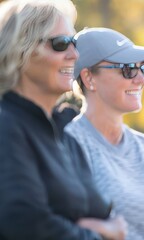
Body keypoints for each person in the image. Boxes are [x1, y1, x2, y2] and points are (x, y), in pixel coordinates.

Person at [0, 1, 127, 239]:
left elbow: (104, 215)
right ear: (20, 52)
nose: (75, 55)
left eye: (74, 43)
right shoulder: (7, 126)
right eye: (60, 44)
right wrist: (101, 233)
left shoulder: (66, 138)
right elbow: (24, 225)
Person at [65, 27, 144, 240]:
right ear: (89, 78)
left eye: (142, 68)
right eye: (127, 69)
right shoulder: (68, 145)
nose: (141, 80)